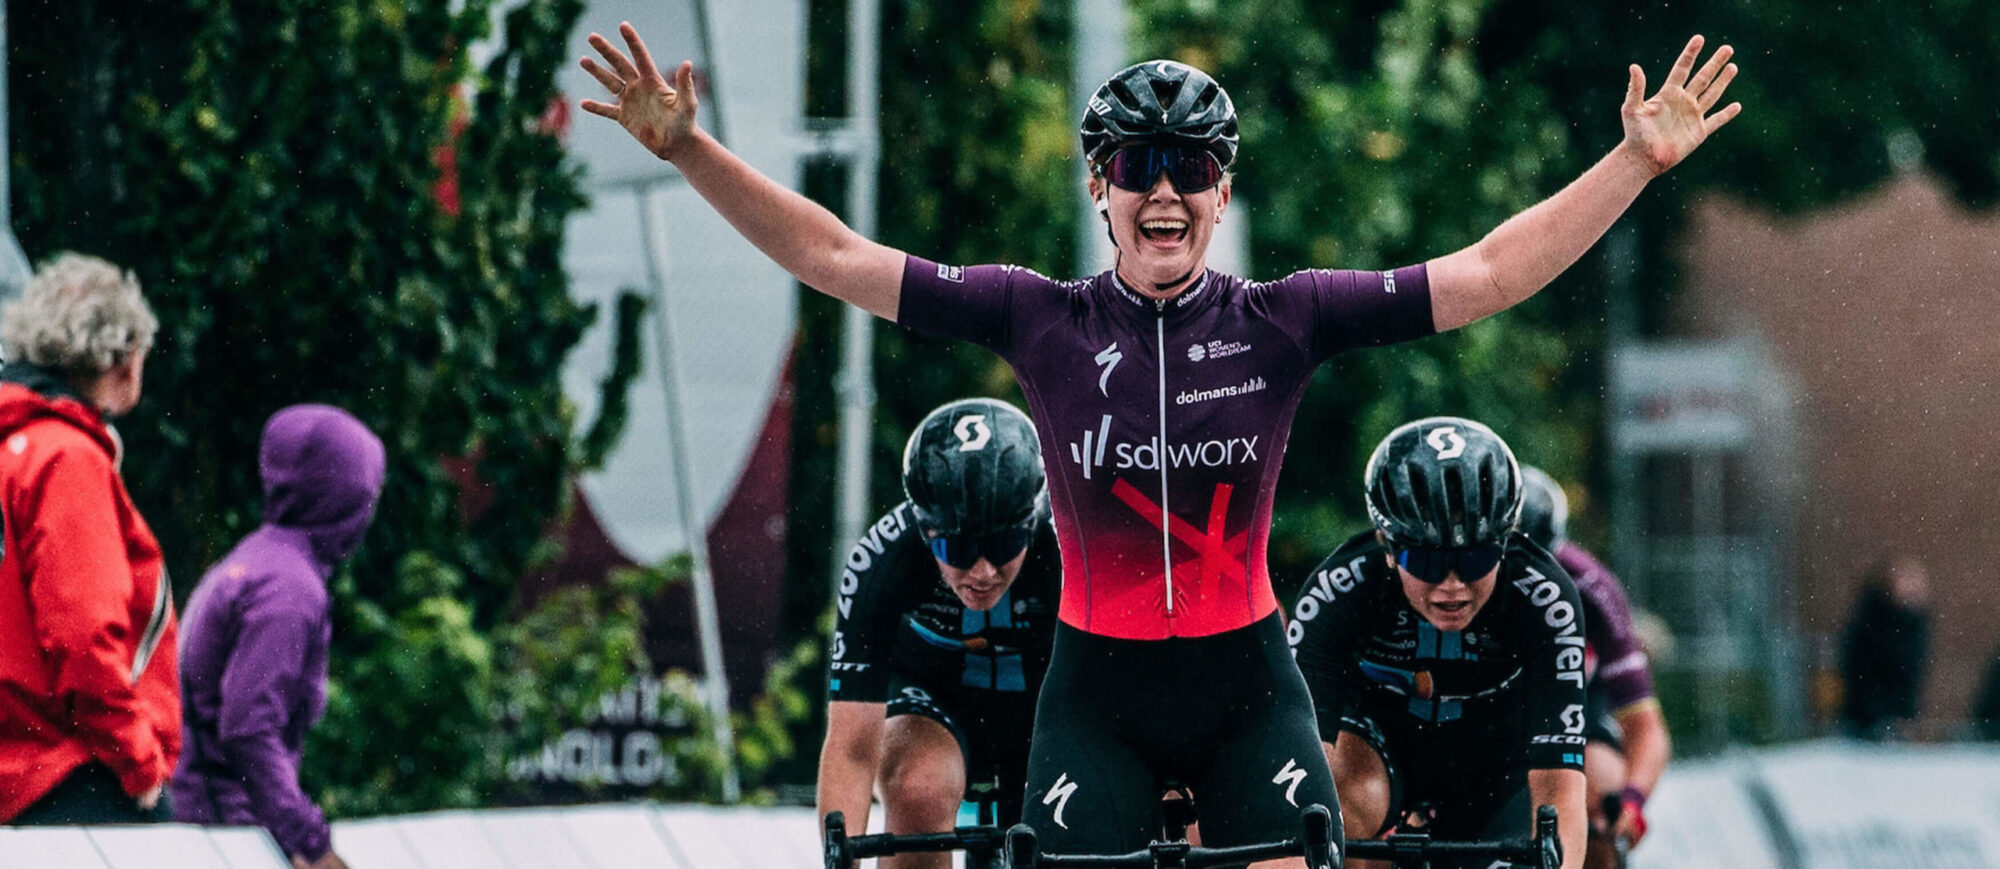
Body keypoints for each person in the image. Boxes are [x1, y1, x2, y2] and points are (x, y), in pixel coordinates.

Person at [581, 23, 1738, 862]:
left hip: (1247, 686)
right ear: (1100, 185)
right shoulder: (1033, 316)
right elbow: (834, 255)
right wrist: (690, 150)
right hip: (1096, 692)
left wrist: (1632, 161)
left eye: (1189, 166)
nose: (1163, 189)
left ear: (1221, 189)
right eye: (1137, 166)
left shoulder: (1287, 319)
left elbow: (1488, 272)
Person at [1290, 419, 1588, 869]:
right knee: (1326, 813)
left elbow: (1561, 787)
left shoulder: (1546, 598)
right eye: (1426, 561)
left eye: (1475, 558)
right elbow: (1300, 770)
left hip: (1498, 761)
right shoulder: (1339, 590)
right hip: (1378, 746)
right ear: (1387, 547)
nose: (1452, 586)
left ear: (1506, 543)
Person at [818, 399, 1059, 869]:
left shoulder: (1070, 545)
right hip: (930, 696)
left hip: (1046, 698)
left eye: (1005, 544)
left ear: (1032, 522)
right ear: (925, 528)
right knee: (920, 789)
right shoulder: (883, 559)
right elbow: (851, 748)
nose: (983, 570)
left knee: (1063, 810)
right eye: (959, 548)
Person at [0, 253, 178, 824]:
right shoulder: (67, 458)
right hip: (64, 774)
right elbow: (83, 634)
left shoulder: (12, 447)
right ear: (124, 360)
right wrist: (139, 759)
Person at [172, 404, 383, 869]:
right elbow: (248, 729)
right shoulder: (289, 590)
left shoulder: (255, 560)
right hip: (230, 836)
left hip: (205, 827)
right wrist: (310, 841)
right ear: (345, 495)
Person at [1517, 466, 1670, 868]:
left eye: (1539, 564)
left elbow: (1647, 730)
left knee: (1600, 800)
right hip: (1480, 718)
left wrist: (1632, 802)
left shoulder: (1591, 586)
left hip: (1575, 717)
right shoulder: (1444, 583)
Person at [1837, 555, 1932, 741]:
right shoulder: (1872, 623)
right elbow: (1860, 672)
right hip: (1864, 723)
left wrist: (1904, 715)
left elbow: (1910, 679)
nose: (1914, 589)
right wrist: (1879, 716)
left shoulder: (1915, 626)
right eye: (1908, 581)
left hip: (1894, 723)